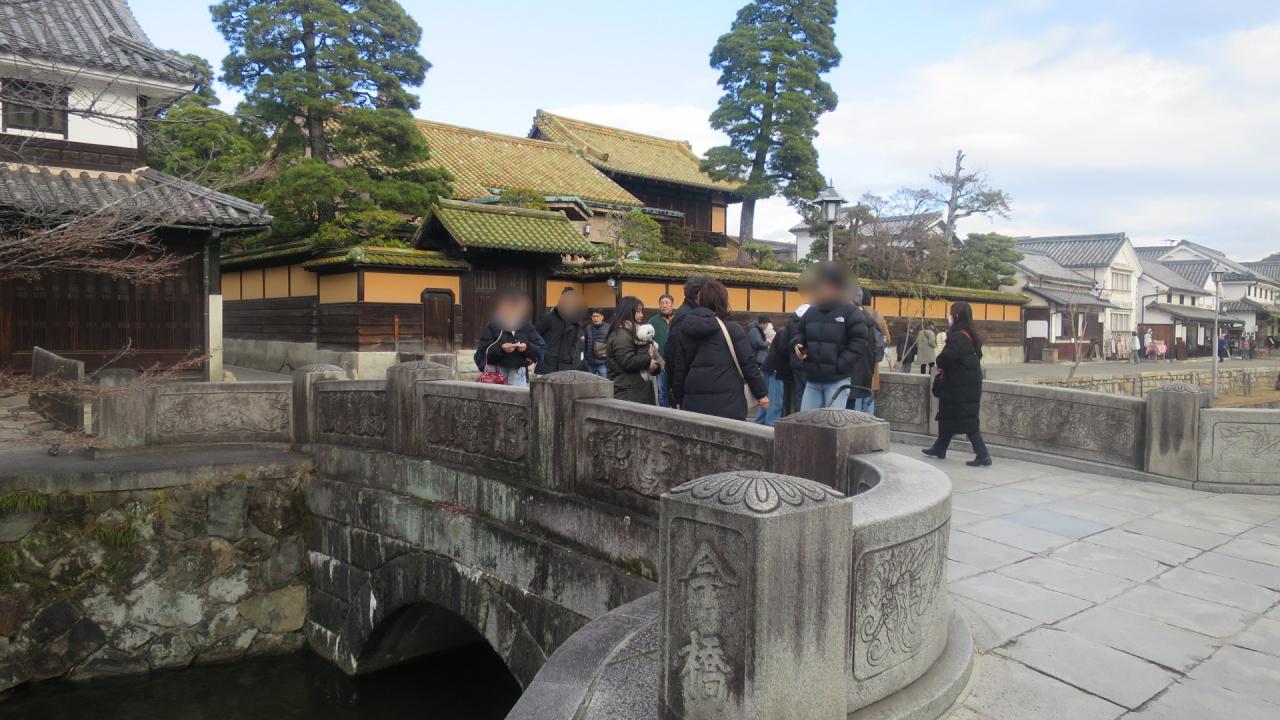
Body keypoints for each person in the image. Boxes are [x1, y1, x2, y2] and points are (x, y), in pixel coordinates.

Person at [669, 279, 768, 419]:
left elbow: (680, 369)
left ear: (699, 299)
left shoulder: (686, 328)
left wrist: (678, 398)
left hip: (693, 404)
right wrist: (761, 394)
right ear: (722, 299)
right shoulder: (732, 328)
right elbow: (747, 363)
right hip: (729, 404)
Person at [792, 263, 872, 411]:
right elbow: (799, 333)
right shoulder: (811, 311)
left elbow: (859, 342)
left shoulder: (850, 312)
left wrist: (840, 365)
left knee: (833, 421)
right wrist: (798, 345)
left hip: (837, 381)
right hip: (812, 379)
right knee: (806, 420)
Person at [922, 302, 992, 467]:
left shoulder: (958, 336)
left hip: (959, 386)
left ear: (957, 316)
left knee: (968, 421)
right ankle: (939, 448)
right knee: (949, 416)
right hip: (967, 383)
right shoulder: (970, 335)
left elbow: (944, 359)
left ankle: (983, 455)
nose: (949, 317)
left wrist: (940, 358)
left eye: (951, 313)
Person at [474, 289, 544, 387]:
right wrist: (501, 348)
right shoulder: (493, 326)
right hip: (496, 374)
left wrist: (527, 347)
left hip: (518, 375)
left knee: (518, 397)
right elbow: (482, 353)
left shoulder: (526, 326)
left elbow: (540, 349)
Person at [663, 275, 713, 404]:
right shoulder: (686, 316)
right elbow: (672, 352)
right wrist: (675, 387)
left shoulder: (690, 312)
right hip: (687, 386)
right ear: (699, 294)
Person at [606, 296, 659, 404]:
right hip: (628, 392)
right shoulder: (621, 335)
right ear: (628, 312)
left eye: (641, 311)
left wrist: (656, 365)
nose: (642, 315)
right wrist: (649, 359)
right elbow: (628, 361)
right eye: (638, 312)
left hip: (636, 390)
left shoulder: (633, 333)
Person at [535, 288, 586, 374]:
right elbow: (533, 336)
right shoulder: (548, 318)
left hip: (569, 369)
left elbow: (579, 346)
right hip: (547, 367)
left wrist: (578, 364)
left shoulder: (576, 322)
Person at [650, 293, 677, 407]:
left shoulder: (678, 319)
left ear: (672, 305)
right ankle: (665, 413)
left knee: (676, 390)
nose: (664, 306)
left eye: (667, 303)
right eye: (661, 303)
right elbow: (649, 342)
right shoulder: (652, 322)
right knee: (662, 391)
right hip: (661, 363)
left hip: (676, 363)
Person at [583, 309, 611, 379]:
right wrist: (585, 359)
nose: (595, 318)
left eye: (597, 316)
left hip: (603, 363)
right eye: (594, 316)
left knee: (604, 382)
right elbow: (585, 345)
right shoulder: (588, 328)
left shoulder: (609, 328)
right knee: (590, 383)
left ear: (602, 317)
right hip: (590, 363)